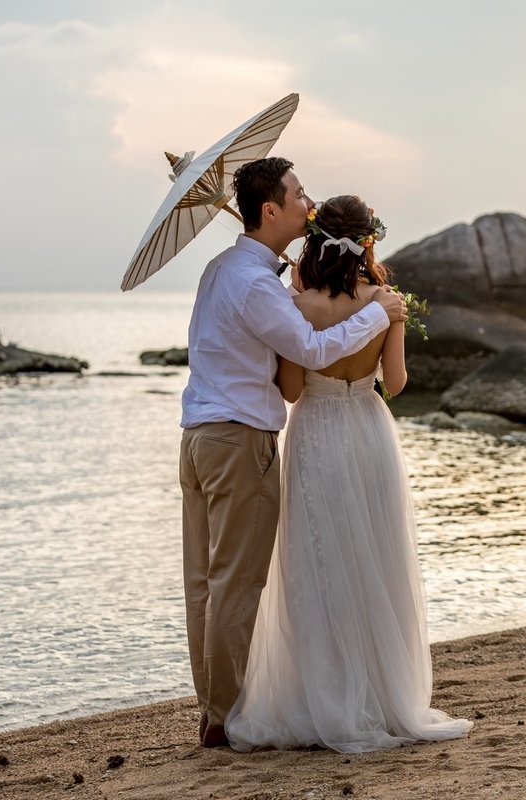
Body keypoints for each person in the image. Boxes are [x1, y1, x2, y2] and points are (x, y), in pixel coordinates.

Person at [225, 195, 473, 753]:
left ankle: (327, 695)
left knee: (318, 564)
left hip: (314, 433)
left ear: (314, 239)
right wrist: (378, 334)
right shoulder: (387, 302)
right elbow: (398, 380)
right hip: (368, 429)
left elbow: (289, 391)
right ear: (367, 242)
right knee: (375, 560)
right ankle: (384, 696)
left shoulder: (298, 305)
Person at [179, 159, 407, 749]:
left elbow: (291, 352)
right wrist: (379, 313)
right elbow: (306, 348)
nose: (307, 201)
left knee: (204, 581)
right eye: (297, 193)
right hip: (238, 440)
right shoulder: (256, 283)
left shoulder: (222, 269)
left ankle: (213, 707)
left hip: (199, 435)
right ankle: (223, 716)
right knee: (237, 581)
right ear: (271, 210)